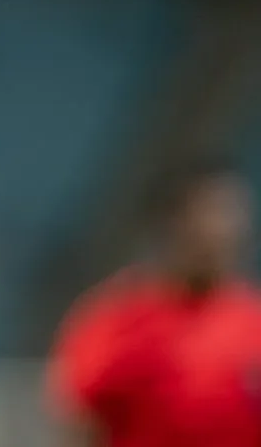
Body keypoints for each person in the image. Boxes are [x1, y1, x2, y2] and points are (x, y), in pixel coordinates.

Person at [46, 157, 261, 447]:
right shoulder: (118, 318)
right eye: (212, 217)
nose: (223, 232)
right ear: (175, 224)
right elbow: (77, 419)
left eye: (233, 218)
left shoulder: (253, 320)